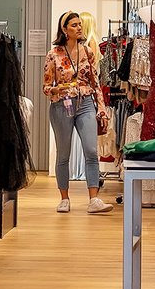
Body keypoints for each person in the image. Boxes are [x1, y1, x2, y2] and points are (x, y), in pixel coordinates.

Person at [42, 11, 111, 213]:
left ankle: (94, 199)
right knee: (63, 153)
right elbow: (46, 87)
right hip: (61, 103)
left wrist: (102, 108)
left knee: (91, 150)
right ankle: (64, 198)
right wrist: (57, 89)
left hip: (85, 103)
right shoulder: (53, 54)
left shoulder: (87, 52)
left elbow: (95, 82)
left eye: (80, 24)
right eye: (74, 25)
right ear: (65, 30)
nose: (79, 28)